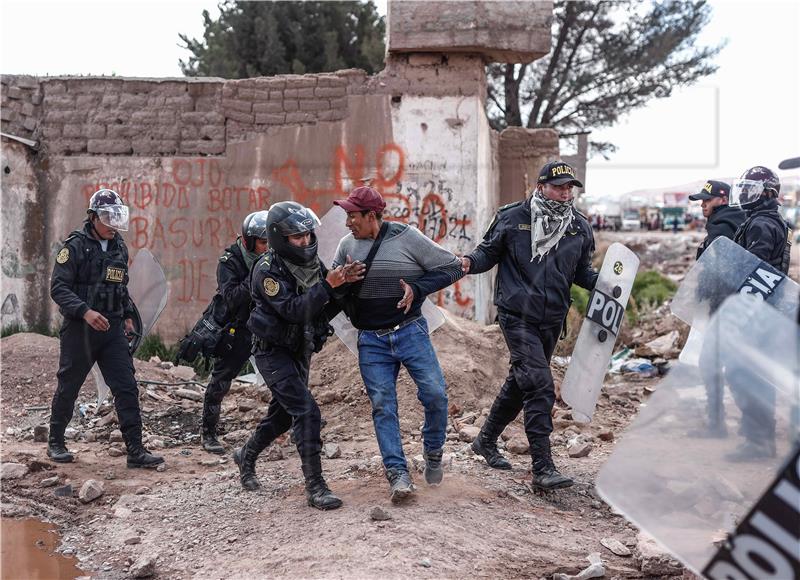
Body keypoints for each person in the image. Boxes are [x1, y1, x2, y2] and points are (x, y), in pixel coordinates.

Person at [461, 161, 598, 491]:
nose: (566, 192)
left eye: (570, 187)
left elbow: (581, 273)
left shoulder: (578, 227)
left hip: (552, 319)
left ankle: (486, 440)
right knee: (538, 383)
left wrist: (608, 283)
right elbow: (486, 255)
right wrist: (465, 263)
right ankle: (542, 466)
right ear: (540, 187)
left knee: (520, 382)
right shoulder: (513, 218)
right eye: (559, 186)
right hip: (517, 315)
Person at [331, 186, 464, 503]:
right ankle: (398, 475)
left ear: (372, 216)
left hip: (410, 331)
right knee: (383, 406)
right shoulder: (346, 245)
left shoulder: (408, 237)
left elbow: (453, 266)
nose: (348, 222)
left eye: (353, 215)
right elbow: (332, 288)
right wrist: (342, 281)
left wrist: (417, 289)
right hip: (371, 341)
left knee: (435, 393)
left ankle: (433, 450)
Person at [234, 201, 363, 510]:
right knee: (307, 412)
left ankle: (247, 456)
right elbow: (295, 310)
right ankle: (316, 487)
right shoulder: (266, 270)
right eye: (296, 237)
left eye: (307, 235)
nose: (305, 241)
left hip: (299, 349)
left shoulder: (311, 265)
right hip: (272, 352)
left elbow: (322, 308)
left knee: (281, 417)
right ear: (279, 238)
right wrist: (329, 287)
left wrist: (344, 284)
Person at [48, 189, 163, 468]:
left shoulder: (119, 247)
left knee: (126, 387)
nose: (113, 224)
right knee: (69, 386)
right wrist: (85, 312)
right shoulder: (74, 247)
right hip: (80, 331)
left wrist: (126, 316)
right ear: (93, 217)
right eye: (107, 218)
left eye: (116, 217)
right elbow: (58, 288)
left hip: (111, 332)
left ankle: (136, 451)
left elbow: (120, 287)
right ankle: (56, 442)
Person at [723, 166, 793, 461]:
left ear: (767, 193)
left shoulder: (761, 225)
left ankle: (759, 440)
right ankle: (758, 436)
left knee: (745, 373)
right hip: (766, 308)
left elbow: (754, 269)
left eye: (752, 189)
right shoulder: (765, 220)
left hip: (757, 310)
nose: (744, 194)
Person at [199, 211, 270, 454]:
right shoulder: (230, 261)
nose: (267, 246)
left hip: (266, 325)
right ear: (249, 241)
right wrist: (257, 277)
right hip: (238, 328)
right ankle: (208, 432)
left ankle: (296, 422)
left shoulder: (272, 257)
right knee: (221, 380)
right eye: (263, 242)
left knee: (283, 377)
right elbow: (231, 297)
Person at [688, 180, 745, 438]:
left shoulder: (723, 226)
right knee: (726, 364)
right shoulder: (733, 221)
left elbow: (722, 267)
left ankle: (720, 424)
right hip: (733, 307)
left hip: (726, 307)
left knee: (716, 363)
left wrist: (706, 290)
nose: (702, 205)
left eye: (706, 200)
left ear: (722, 199)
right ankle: (738, 423)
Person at [689, 180, 746, 260]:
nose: (702, 205)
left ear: (724, 200)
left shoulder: (720, 227)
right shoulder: (739, 218)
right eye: (702, 200)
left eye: (708, 200)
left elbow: (719, 266)